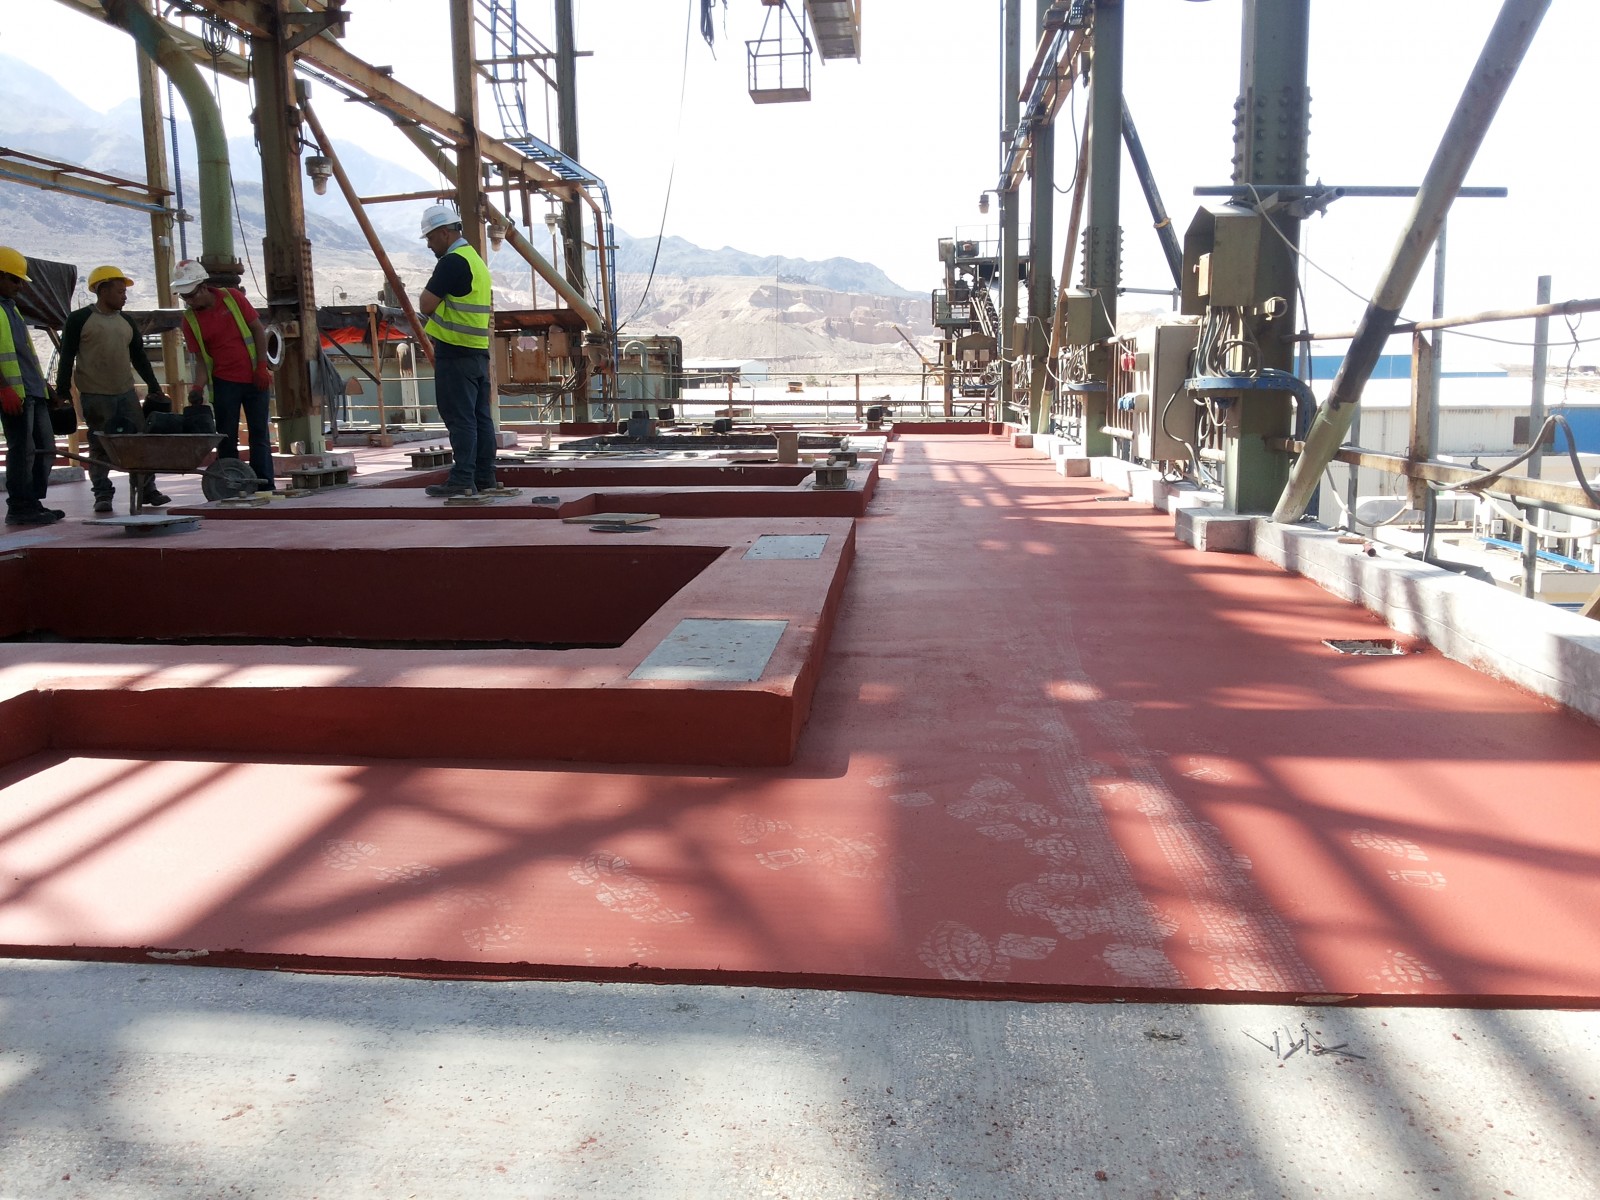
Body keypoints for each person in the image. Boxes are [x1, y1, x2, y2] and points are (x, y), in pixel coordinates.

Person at [56, 265, 171, 513]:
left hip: (126, 393)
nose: (124, 296)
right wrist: (62, 392)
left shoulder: (126, 322)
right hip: (95, 395)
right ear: (103, 290)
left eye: (124, 292)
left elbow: (139, 357)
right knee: (100, 444)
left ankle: (147, 489)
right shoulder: (79, 319)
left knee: (139, 441)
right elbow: (66, 356)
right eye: (120, 292)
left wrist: (153, 386)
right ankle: (102, 494)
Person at [172, 260, 275, 490]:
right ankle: (231, 486)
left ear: (203, 286)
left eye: (191, 295)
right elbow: (201, 360)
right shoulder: (190, 320)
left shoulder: (232, 299)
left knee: (259, 435)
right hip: (224, 384)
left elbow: (258, 330)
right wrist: (197, 388)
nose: (189, 301)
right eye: (184, 297)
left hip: (254, 379)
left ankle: (264, 486)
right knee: (226, 437)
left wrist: (261, 366)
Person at [418, 203, 498, 498]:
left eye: (430, 237)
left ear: (444, 233)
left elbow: (426, 304)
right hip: (478, 352)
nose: (429, 244)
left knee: (460, 418)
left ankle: (463, 478)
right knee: (480, 418)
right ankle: (485, 477)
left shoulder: (451, 262)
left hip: (455, 352)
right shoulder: (476, 261)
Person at [0, 246, 65, 527]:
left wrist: (45, 386)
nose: (20, 286)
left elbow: (25, 353)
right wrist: (3, 389)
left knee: (45, 448)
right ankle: (19, 506)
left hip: (32, 390)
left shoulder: (11, 309)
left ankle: (33, 501)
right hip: (15, 394)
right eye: (15, 280)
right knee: (22, 449)